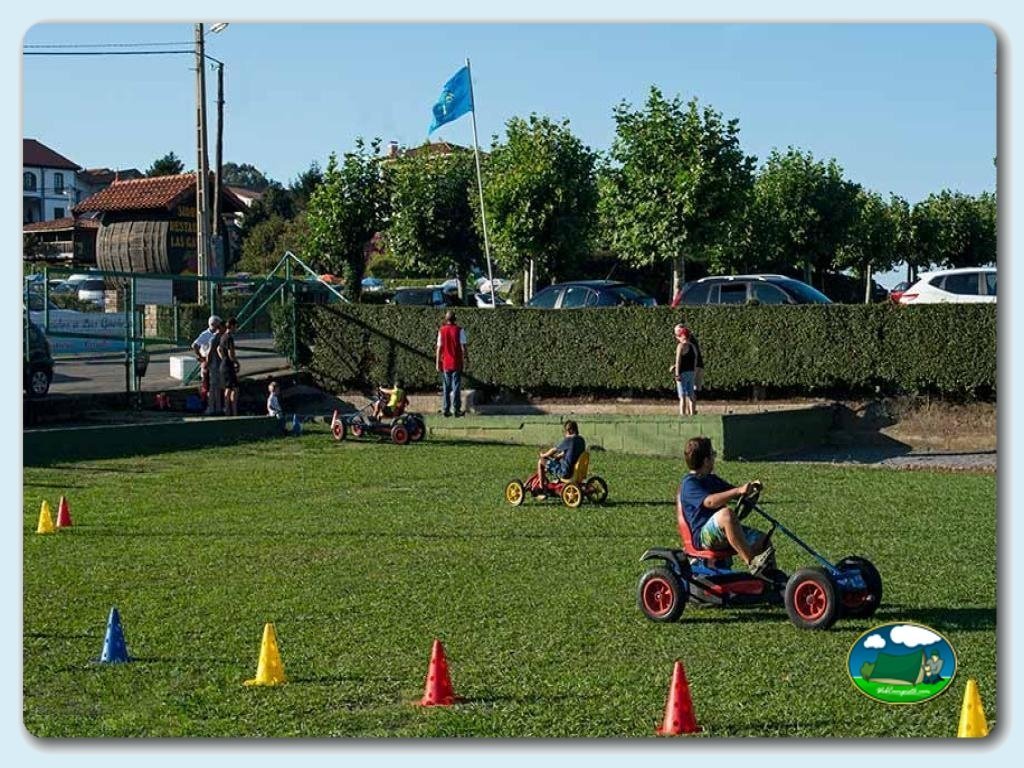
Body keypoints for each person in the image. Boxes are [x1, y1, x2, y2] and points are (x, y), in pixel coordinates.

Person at [679, 436, 774, 575]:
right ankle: (752, 563)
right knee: (727, 515)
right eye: (713, 454)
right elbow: (710, 502)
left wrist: (749, 490)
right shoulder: (690, 484)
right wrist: (737, 490)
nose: (714, 458)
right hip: (703, 537)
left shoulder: (712, 479)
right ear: (706, 461)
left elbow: (733, 493)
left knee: (763, 541)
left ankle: (773, 580)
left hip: (722, 531)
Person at [535, 420, 586, 495]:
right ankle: (556, 482)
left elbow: (554, 450)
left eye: (565, 431)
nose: (565, 434)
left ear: (570, 430)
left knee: (541, 462)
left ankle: (541, 488)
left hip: (566, 472)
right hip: (576, 471)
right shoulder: (581, 440)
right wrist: (559, 456)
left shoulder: (569, 440)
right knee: (555, 462)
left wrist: (544, 455)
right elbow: (570, 452)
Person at [436, 309, 468, 417]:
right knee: (456, 387)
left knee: (446, 387)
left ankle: (445, 409)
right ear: (455, 319)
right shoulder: (459, 330)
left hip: (446, 363)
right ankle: (456, 409)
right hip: (457, 362)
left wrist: (437, 362)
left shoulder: (442, 330)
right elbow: (463, 346)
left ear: (446, 319)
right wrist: (466, 358)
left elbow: (439, 348)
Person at [191, 315, 222, 412]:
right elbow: (195, 345)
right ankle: (209, 406)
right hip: (208, 362)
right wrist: (201, 357)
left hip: (215, 361)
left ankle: (216, 406)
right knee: (208, 385)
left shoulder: (218, 334)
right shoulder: (205, 334)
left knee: (215, 385)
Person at [669, 326, 698, 417]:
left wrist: (677, 374)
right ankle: (692, 414)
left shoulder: (680, 346)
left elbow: (678, 361)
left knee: (682, 396)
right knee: (691, 395)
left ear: (681, 337)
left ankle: (682, 414)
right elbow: (694, 360)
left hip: (682, 374)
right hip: (691, 373)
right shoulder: (693, 347)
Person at [218, 317, 241, 416]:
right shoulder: (229, 338)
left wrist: (223, 358)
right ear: (231, 326)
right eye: (235, 326)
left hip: (223, 365)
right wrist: (237, 362)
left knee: (227, 389)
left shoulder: (222, 336)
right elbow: (231, 354)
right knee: (235, 389)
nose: (236, 328)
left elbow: (218, 349)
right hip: (229, 366)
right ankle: (234, 412)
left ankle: (227, 412)